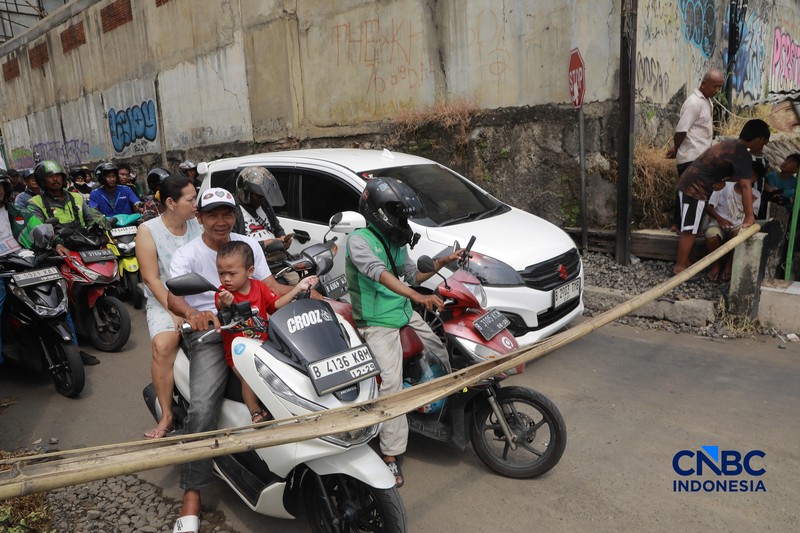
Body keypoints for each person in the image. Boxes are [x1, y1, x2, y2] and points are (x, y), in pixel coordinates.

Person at [166, 187, 292, 531]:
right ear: (199, 218)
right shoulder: (188, 253)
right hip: (211, 331)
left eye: (227, 213)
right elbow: (174, 296)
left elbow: (269, 286)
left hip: (254, 325)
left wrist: (310, 291)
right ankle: (192, 495)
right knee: (203, 404)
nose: (220, 221)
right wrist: (193, 313)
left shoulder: (248, 245)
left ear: (235, 215)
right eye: (212, 215)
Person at [344, 177, 463, 487]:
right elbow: (380, 274)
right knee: (391, 384)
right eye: (398, 215)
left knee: (440, 351)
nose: (403, 222)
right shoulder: (359, 241)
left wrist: (442, 262)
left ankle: (441, 411)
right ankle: (390, 454)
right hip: (376, 322)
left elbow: (411, 274)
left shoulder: (395, 241)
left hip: (403, 312)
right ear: (380, 212)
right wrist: (418, 297)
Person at [214, 240, 317, 423]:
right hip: (239, 351)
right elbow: (221, 305)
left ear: (250, 271)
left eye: (232, 273)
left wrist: (297, 289)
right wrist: (225, 302)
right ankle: (254, 410)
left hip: (264, 344)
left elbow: (275, 305)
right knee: (250, 375)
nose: (226, 279)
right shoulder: (223, 293)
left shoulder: (259, 287)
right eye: (221, 273)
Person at [136, 174, 201, 439]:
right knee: (163, 347)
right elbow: (151, 279)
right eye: (191, 199)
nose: (196, 204)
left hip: (199, 297)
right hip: (164, 302)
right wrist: (175, 310)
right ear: (172, 203)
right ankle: (166, 415)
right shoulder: (148, 231)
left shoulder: (198, 223)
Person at [26, 160, 104, 365]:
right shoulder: (34, 203)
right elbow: (37, 227)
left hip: (81, 248)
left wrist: (101, 225)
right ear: (41, 180)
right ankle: (74, 349)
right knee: (61, 301)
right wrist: (55, 243)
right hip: (53, 255)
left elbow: (90, 217)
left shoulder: (77, 197)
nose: (55, 179)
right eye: (50, 177)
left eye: (58, 176)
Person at [673, 119, 771, 274]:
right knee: (690, 230)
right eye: (764, 142)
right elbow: (746, 186)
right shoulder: (742, 154)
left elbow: (716, 169)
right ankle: (680, 267)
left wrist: (719, 181)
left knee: (692, 228)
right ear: (758, 139)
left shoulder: (730, 145)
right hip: (695, 189)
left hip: (693, 185)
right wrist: (749, 217)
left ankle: (686, 262)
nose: (763, 147)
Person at [666, 69, 724, 232]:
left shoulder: (707, 101)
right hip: (690, 156)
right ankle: (682, 227)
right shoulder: (694, 103)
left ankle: (681, 226)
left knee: (689, 193)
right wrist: (676, 149)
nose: (717, 90)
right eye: (715, 86)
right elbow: (681, 130)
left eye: (720, 87)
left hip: (701, 156)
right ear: (704, 84)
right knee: (689, 194)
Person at [704, 165, 764, 282]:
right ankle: (716, 265)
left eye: (749, 175)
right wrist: (720, 219)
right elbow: (709, 207)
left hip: (738, 226)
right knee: (711, 235)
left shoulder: (756, 194)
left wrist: (749, 203)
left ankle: (729, 265)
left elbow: (753, 217)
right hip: (718, 223)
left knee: (738, 236)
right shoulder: (725, 186)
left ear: (754, 179)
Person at [233, 166, 293, 253]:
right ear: (246, 193)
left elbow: (277, 228)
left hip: (275, 256)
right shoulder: (234, 211)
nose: (262, 199)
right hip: (252, 257)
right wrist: (265, 244)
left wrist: (283, 238)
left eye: (264, 196)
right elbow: (235, 246)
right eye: (258, 196)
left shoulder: (265, 206)